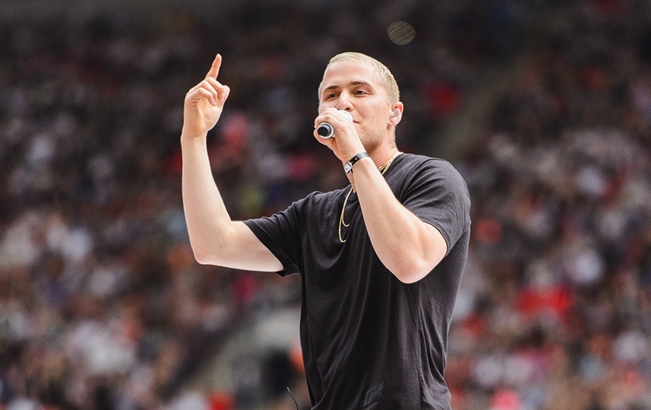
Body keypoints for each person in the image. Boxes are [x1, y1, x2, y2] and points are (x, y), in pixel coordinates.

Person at [180, 51, 471, 409]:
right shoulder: (315, 212)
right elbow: (213, 244)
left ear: (394, 113)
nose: (343, 102)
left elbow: (409, 261)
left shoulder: (432, 177)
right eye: (332, 95)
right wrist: (193, 139)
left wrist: (353, 155)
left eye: (360, 92)